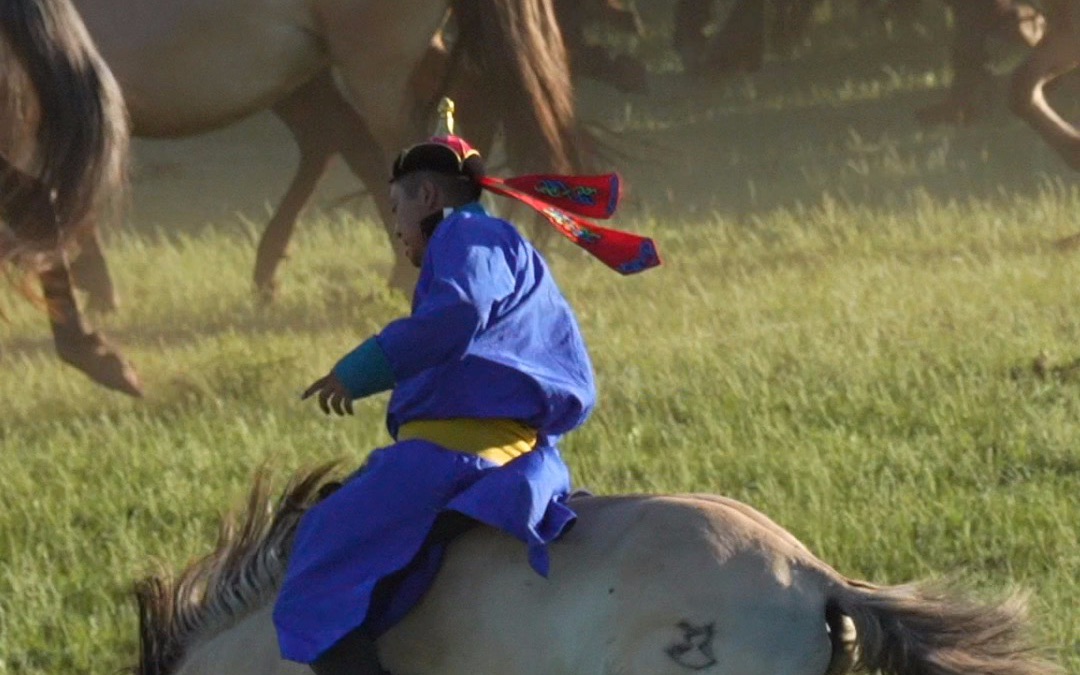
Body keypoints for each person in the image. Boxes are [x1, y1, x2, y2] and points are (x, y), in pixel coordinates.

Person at [272, 99, 659, 675]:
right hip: (522, 456)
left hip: (453, 458)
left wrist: (359, 372)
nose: (394, 228)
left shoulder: (463, 238)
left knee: (317, 557)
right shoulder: (510, 249)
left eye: (395, 206)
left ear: (427, 198)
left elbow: (453, 318)